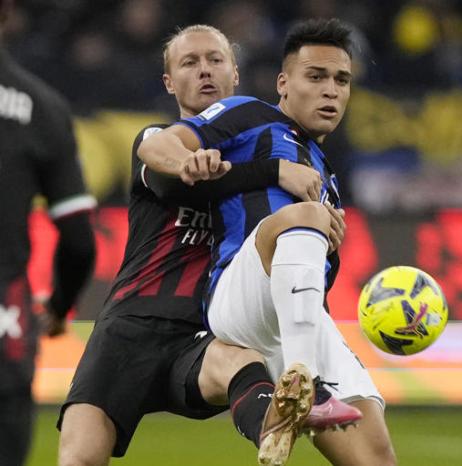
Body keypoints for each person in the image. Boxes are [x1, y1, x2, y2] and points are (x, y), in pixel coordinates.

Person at [57, 25, 328, 466]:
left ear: (235, 74)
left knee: (242, 365)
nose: (205, 70)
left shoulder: (267, 149)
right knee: (79, 459)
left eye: (215, 60)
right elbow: (173, 183)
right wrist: (271, 172)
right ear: (169, 82)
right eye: (189, 62)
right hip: (130, 327)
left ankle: (273, 434)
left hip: (203, 333)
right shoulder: (157, 140)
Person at [139, 18, 397, 465]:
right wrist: (186, 161)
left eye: (341, 80)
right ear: (283, 83)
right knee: (304, 217)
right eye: (315, 77)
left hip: (300, 321)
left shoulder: (324, 172)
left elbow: (309, 276)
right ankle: (305, 386)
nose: (330, 91)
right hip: (241, 296)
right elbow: (156, 146)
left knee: (376, 458)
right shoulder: (249, 115)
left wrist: (329, 244)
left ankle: (298, 386)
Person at [0, 1, 97, 464]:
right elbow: (79, 240)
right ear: (7, 15)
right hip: (7, 326)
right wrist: (59, 306)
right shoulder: (43, 108)